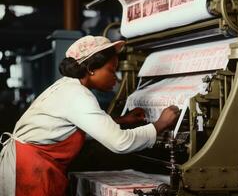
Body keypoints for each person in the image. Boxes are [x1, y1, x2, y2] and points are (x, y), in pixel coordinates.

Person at [0, 35, 180, 196]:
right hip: (31, 169)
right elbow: (121, 143)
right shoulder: (78, 95)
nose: (116, 79)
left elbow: (74, 126)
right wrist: (160, 124)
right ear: (92, 69)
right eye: (111, 70)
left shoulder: (69, 87)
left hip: (33, 164)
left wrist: (122, 120)